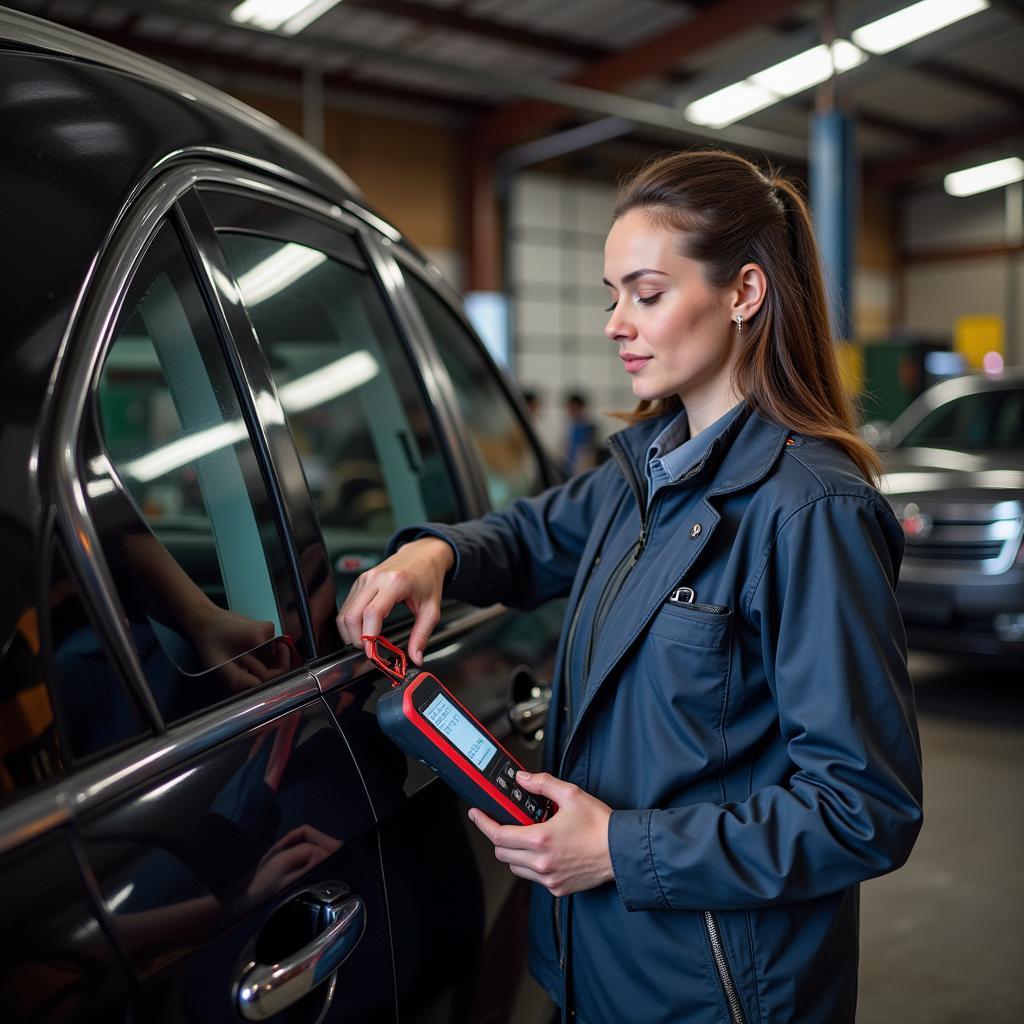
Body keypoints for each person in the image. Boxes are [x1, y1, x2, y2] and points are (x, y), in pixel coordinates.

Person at [338, 149, 923, 1024]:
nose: (617, 323)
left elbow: (862, 809)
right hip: (597, 967)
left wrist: (619, 847)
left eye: (645, 293)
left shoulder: (812, 514)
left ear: (744, 293)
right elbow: (530, 536)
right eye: (611, 296)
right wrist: (436, 556)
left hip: (722, 993)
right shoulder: (642, 471)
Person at [563, 390, 599, 475]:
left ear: (581, 408)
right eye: (570, 408)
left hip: (582, 470)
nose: (571, 411)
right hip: (569, 470)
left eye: (574, 408)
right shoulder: (570, 427)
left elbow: (589, 454)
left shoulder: (588, 428)